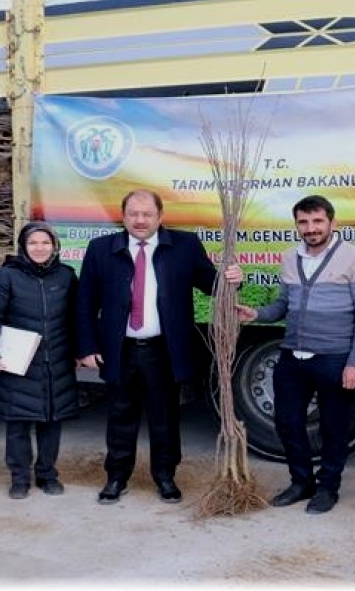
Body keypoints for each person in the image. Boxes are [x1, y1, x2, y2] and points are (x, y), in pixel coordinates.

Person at [76, 189, 242, 505]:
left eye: (147, 214)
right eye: (133, 214)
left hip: (163, 349)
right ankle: (116, 476)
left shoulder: (184, 245)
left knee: (165, 416)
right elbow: (85, 302)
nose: (140, 220)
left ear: (160, 216)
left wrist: (232, 278)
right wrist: (86, 346)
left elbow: (213, 284)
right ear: (122, 217)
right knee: (120, 414)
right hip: (120, 348)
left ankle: (165, 476)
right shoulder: (101, 249)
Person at [237, 195, 355, 514]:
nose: (311, 228)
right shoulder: (290, 258)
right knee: (287, 422)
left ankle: (328, 487)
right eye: (304, 222)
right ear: (297, 224)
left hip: (334, 357)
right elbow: (282, 306)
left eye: (317, 221)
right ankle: (301, 482)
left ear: (332, 222)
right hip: (292, 356)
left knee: (333, 427)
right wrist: (256, 313)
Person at [0, 222, 79, 500]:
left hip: (55, 362)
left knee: (51, 420)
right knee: (18, 422)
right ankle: (19, 478)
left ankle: (47, 474)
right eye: (33, 243)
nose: (39, 248)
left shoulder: (66, 277)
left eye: (45, 243)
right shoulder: (5, 277)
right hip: (18, 363)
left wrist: (80, 351)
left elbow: (76, 319)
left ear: (54, 246)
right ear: (23, 246)